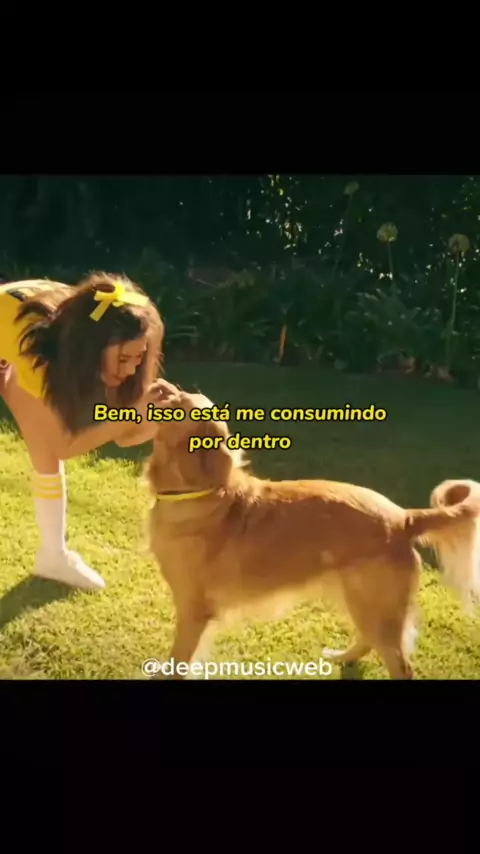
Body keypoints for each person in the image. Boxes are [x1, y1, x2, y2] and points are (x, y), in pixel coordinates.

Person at [0, 271, 177, 592]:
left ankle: (52, 557)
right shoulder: (43, 350)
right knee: (49, 444)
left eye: (138, 358)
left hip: (8, 331)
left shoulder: (91, 325)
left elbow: (124, 436)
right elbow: (65, 446)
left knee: (43, 448)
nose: (131, 370)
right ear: (93, 347)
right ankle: (53, 555)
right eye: (123, 358)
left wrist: (162, 420)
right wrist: (133, 416)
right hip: (18, 335)